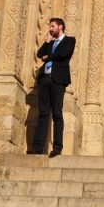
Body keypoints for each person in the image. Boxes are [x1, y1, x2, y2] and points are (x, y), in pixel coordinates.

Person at [28, 17, 76, 157]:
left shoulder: (69, 40)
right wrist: (47, 41)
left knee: (57, 113)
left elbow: (63, 54)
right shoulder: (51, 43)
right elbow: (39, 54)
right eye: (50, 26)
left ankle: (57, 147)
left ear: (60, 27)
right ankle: (37, 147)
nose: (50, 29)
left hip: (58, 80)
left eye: (52, 26)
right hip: (45, 80)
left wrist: (48, 57)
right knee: (43, 114)